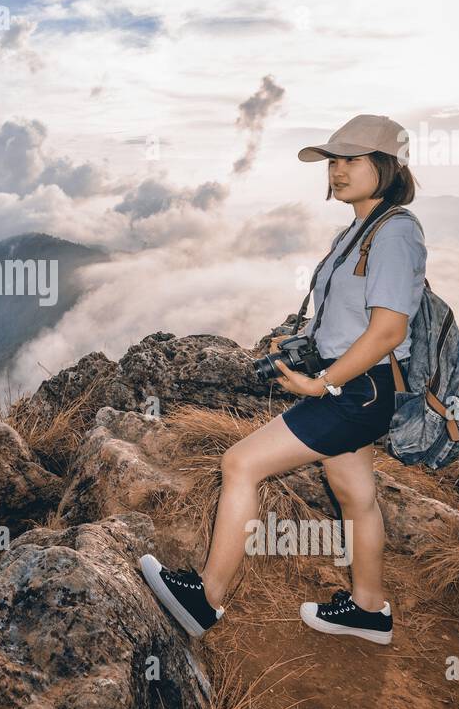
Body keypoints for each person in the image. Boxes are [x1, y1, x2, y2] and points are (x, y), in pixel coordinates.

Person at [140, 114, 427, 646]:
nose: (337, 171)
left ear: (386, 166)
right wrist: (304, 345)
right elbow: (352, 319)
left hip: (354, 392)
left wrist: (324, 384)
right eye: (333, 161)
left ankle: (207, 599)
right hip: (360, 388)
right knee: (355, 495)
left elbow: (388, 331)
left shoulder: (395, 233)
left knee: (241, 464)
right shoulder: (360, 229)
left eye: (351, 160)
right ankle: (369, 610)